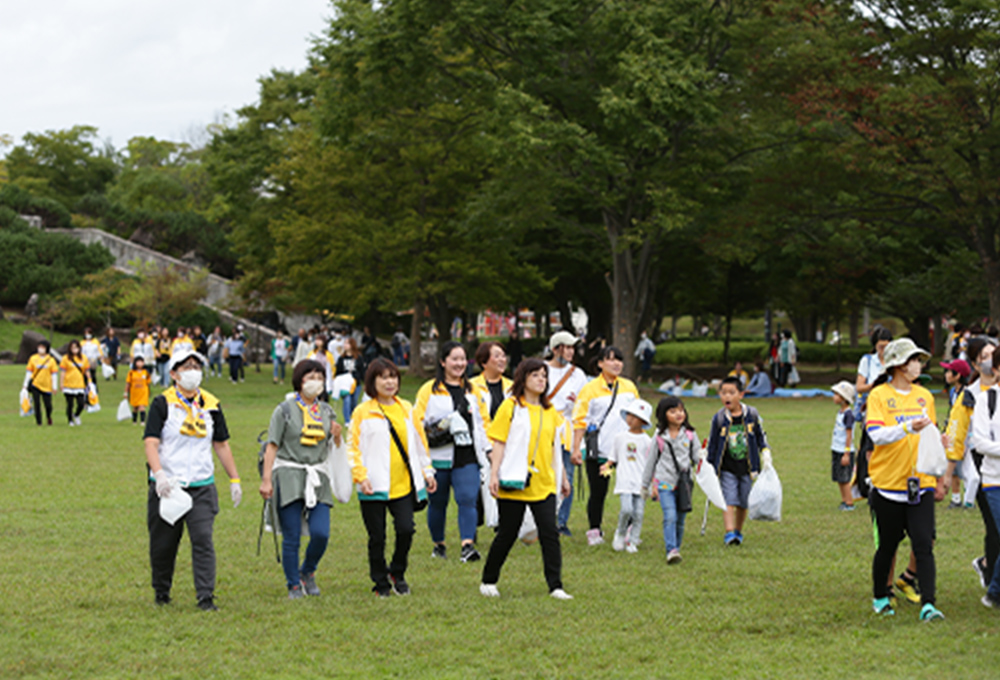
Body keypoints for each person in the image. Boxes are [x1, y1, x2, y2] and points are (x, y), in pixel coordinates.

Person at [144, 349, 242, 610]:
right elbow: (151, 443)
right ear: (174, 373)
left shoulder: (211, 404)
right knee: (163, 545)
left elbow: (221, 445)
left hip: (201, 486)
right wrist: (160, 475)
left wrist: (234, 479)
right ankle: (162, 591)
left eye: (196, 366)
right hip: (168, 487)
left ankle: (206, 596)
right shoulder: (162, 403)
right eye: (185, 367)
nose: (192, 371)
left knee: (203, 540)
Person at [864, 338, 944, 621]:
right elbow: (877, 434)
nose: (918, 365)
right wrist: (908, 426)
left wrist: (940, 459)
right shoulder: (878, 396)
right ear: (898, 364)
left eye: (919, 359)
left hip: (920, 484)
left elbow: (930, 436)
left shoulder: (925, 396)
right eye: (913, 359)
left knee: (924, 544)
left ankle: (929, 604)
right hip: (887, 486)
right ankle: (880, 597)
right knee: (887, 546)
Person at [480, 358, 573, 600]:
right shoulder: (510, 406)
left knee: (550, 533)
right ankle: (488, 580)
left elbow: (555, 447)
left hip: (544, 483)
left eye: (544, 375)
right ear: (523, 378)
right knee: (508, 533)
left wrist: (563, 477)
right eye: (535, 375)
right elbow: (498, 442)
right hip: (514, 480)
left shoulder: (550, 410)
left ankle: (556, 586)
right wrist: (494, 473)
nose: (541, 379)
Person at [349, 358, 437, 596]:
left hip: (403, 485)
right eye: (383, 377)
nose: (389, 382)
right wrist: (360, 476)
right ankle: (380, 583)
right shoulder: (362, 412)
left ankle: (397, 572)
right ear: (372, 381)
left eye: (393, 376)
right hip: (373, 485)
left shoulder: (407, 408)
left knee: (406, 529)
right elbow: (352, 448)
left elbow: (420, 443)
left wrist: (427, 471)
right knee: (377, 537)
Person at [259, 359, 343, 599]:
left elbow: (333, 446)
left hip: (317, 476)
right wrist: (266, 480)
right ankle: (293, 584)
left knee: (321, 533)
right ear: (299, 380)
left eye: (320, 376)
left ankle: (307, 571)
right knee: (292, 534)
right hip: (288, 475)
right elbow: (272, 446)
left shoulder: (327, 411)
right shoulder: (284, 410)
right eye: (310, 376)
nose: (315, 381)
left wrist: (337, 437)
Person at [413, 341, 491, 562]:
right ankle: (439, 544)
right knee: (438, 502)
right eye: (454, 359)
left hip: (467, 456)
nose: (459, 364)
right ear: (443, 361)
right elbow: (417, 422)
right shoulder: (429, 389)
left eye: (462, 359)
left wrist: (489, 450)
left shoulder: (473, 390)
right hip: (439, 457)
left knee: (467, 498)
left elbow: (483, 422)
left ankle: (467, 546)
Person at [944, 336, 1000, 594]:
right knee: (994, 526)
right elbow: (956, 436)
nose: (991, 360)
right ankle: (991, 577)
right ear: (977, 363)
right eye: (986, 356)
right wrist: (948, 474)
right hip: (982, 470)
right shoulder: (970, 396)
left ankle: (987, 563)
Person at [571, 346, 640, 546]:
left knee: (630, 490)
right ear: (600, 363)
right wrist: (576, 448)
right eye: (610, 360)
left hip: (628, 451)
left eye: (619, 359)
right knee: (598, 492)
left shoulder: (629, 386)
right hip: (600, 451)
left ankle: (628, 530)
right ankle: (594, 530)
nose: (616, 363)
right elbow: (579, 421)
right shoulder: (589, 389)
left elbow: (638, 416)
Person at [705, 375, 772, 546]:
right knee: (729, 500)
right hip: (727, 467)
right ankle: (729, 533)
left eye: (731, 392)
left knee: (743, 501)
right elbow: (712, 444)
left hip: (748, 467)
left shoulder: (752, 414)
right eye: (723, 392)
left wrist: (765, 451)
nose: (727, 396)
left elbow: (760, 435)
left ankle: (738, 531)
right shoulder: (719, 418)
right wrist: (710, 466)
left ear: (741, 394)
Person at [641, 395, 700, 564]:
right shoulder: (659, 437)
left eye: (681, 410)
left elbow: (697, 458)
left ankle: (676, 548)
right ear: (663, 415)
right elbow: (650, 462)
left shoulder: (690, 435)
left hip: (684, 484)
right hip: (664, 482)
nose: (678, 414)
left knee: (681, 519)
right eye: (673, 411)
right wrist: (645, 485)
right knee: (670, 516)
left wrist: (704, 461)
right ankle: (671, 549)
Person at [546, 331, 588, 536]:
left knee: (567, 477)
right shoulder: (542, 370)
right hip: (545, 427)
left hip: (569, 429)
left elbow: (583, 404)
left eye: (573, 347)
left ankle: (561, 522)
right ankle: (543, 520)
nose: (571, 352)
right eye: (567, 347)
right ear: (555, 349)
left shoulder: (578, 374)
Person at [600, 399, 653, 552]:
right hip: (625, 480)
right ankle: (621, 533)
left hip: (641, 482)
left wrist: (653, 483)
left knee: (639, 513)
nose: (630, 418)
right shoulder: (620, 437)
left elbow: (651, 462)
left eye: (635, 416)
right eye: (629, 414)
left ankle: (633, 541)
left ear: (643, 421)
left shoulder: (647, 441)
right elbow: (613, 457)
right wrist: (606, 466)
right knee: (627, 509)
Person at [969, 358, 1000, 609]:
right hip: (994, 481)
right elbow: (979, 443)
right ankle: (995, 592)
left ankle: (994, 593)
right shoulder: (987, 400)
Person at [854, 327, 893, 497]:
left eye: (886, 347)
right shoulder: (868, 361)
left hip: (892, 409)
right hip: (873, 409)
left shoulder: (896, 360)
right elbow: (859, 387)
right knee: (868, 448)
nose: (883, 351)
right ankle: (866, 485)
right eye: (880, 347)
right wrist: (876, 385)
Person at [940, 358, 972, 509]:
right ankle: (956, 498)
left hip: (966, 437)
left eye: (948, 371)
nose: (946, 374)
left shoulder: (967, 394)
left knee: (967, 470)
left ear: (957, 375)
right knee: (954, 468)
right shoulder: (954, 392)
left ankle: (969, 499)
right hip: (953, 433)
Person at [829, 381, 857, 511]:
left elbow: (849, 434)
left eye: (836, 394)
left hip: (844, 450)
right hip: (836, 448)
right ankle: (844, 500)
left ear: (844, 398)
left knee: (845, 478)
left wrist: (846, 453)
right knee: (839, 477)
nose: (834, 397)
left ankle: (849, 502)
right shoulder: (840, 412)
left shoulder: (848, 415)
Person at [470, 341, 512, 420]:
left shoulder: (512, 386)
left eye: (503, 356)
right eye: (497, 356)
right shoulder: (472, 385)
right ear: (484, 362)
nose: (502, 359)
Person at [24, 341, 58, 426]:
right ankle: (39, 421)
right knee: (37, 403)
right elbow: (29, 372)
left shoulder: (51, 360)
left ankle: (48, 416)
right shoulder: (33, 358)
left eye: (42, 347)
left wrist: (54, 386)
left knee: (48, 405)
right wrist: (25, 384)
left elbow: (54, 374)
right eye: (39, 347)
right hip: (35, 384)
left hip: (47, 385)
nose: (40, 349)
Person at [59, 340, 91, 426]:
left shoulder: (84, 358)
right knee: (70, 404)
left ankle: (76, 415)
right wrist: (61, 383)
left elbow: (86, 370)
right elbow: (63, 372)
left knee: (81, 403)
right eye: (73, 348)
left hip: (80, 384)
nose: (75, 350)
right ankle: (70, 420)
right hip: (68, 384)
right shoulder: (65, 358)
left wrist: (89, 379)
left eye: (76, 347)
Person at [333, 338, 364, 418]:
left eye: (347, 343)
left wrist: (364, 382)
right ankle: (347, 420)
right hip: (345, 385)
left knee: (354, 402)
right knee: (347, 401)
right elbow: (338, 372)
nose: (345, 345)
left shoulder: (358, 358)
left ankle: (353, 418)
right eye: (345, 343)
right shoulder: (341, 359)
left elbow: (362, 371)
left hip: (355, 384)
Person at [126, 357, 153, 425]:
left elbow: (148, 382)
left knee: (142, 406)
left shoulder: (145, 372)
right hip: (134, 392)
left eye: (141, 362)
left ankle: (142, 421)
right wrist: (126, 392)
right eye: (138, 362)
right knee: (135, 407)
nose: (140, 363)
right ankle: (134, 421)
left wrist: (149, 391)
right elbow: (128, 383)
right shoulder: (131, 372)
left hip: (143, 392)